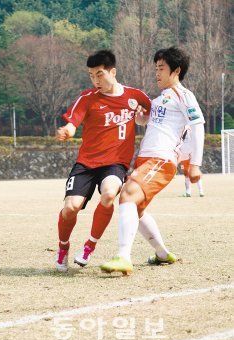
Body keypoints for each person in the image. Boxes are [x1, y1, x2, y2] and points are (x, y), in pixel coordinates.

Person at [100, 46, 205, 275]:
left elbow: (197, 126)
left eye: (161, 68)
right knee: (135, 208)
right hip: (146, 159)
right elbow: (157, 122)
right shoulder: (160, 99)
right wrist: (143, 118)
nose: (156, 73)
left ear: (176, 70)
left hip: (161, 160)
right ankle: (161, 253)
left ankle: (123, 257)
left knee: (127, 195)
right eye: (155, 68)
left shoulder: (183, 95)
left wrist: (195, 163)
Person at [55, 49, 151, 272]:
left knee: (109, 193)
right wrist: (67, 131)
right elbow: (73, 122)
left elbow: (152, 112)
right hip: (86, 163)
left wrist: (143, 117)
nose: (95, 80)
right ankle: (63, 247)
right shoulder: (87, 98)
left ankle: (90, 245)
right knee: (71, 208)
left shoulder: (135, 96)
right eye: (91, 75)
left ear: (113, 72)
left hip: (115, 163)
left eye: (99, 74)